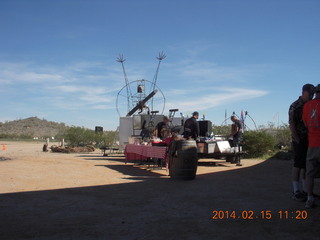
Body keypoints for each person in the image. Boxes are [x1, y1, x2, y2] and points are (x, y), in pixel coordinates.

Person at [289, 83, 314, 202]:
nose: (312, 96)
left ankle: (305, 190)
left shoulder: (310, 105)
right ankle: (296, 191)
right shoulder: (295, 106)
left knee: (306, 165)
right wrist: (297, 139)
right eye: (310, 94)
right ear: (304, 92)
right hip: (299, 140)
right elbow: (292, 124)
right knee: (298, 165)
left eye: (313, 94)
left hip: (309, 139)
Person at [303, 84, 320, 208]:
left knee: (310, 173)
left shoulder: (307, 105)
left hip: (312, 144)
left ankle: (309, 198)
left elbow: (304, 122)